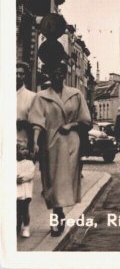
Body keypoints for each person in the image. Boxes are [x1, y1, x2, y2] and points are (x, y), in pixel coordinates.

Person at [29, 61, 91, 236]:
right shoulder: (41, 97)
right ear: (50, 75)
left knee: (65, 181)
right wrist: (34, 142)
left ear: (64, 75)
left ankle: (57, 216)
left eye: (60, 73)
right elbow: (36, 122)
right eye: (54, 73)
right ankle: (58, 212)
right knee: (52, 181)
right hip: (50, 142)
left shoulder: (76, 94)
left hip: (71, 142)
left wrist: (71, 126)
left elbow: (86, 120)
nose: (57, 76)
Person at [16, 61, 36, 237]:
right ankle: (14, 222)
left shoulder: (31, 97)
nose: (18, 76)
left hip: (23, 148)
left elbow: (36, 124)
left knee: (23, 190)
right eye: (15, 73)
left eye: (21, 73)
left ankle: (24, 223)